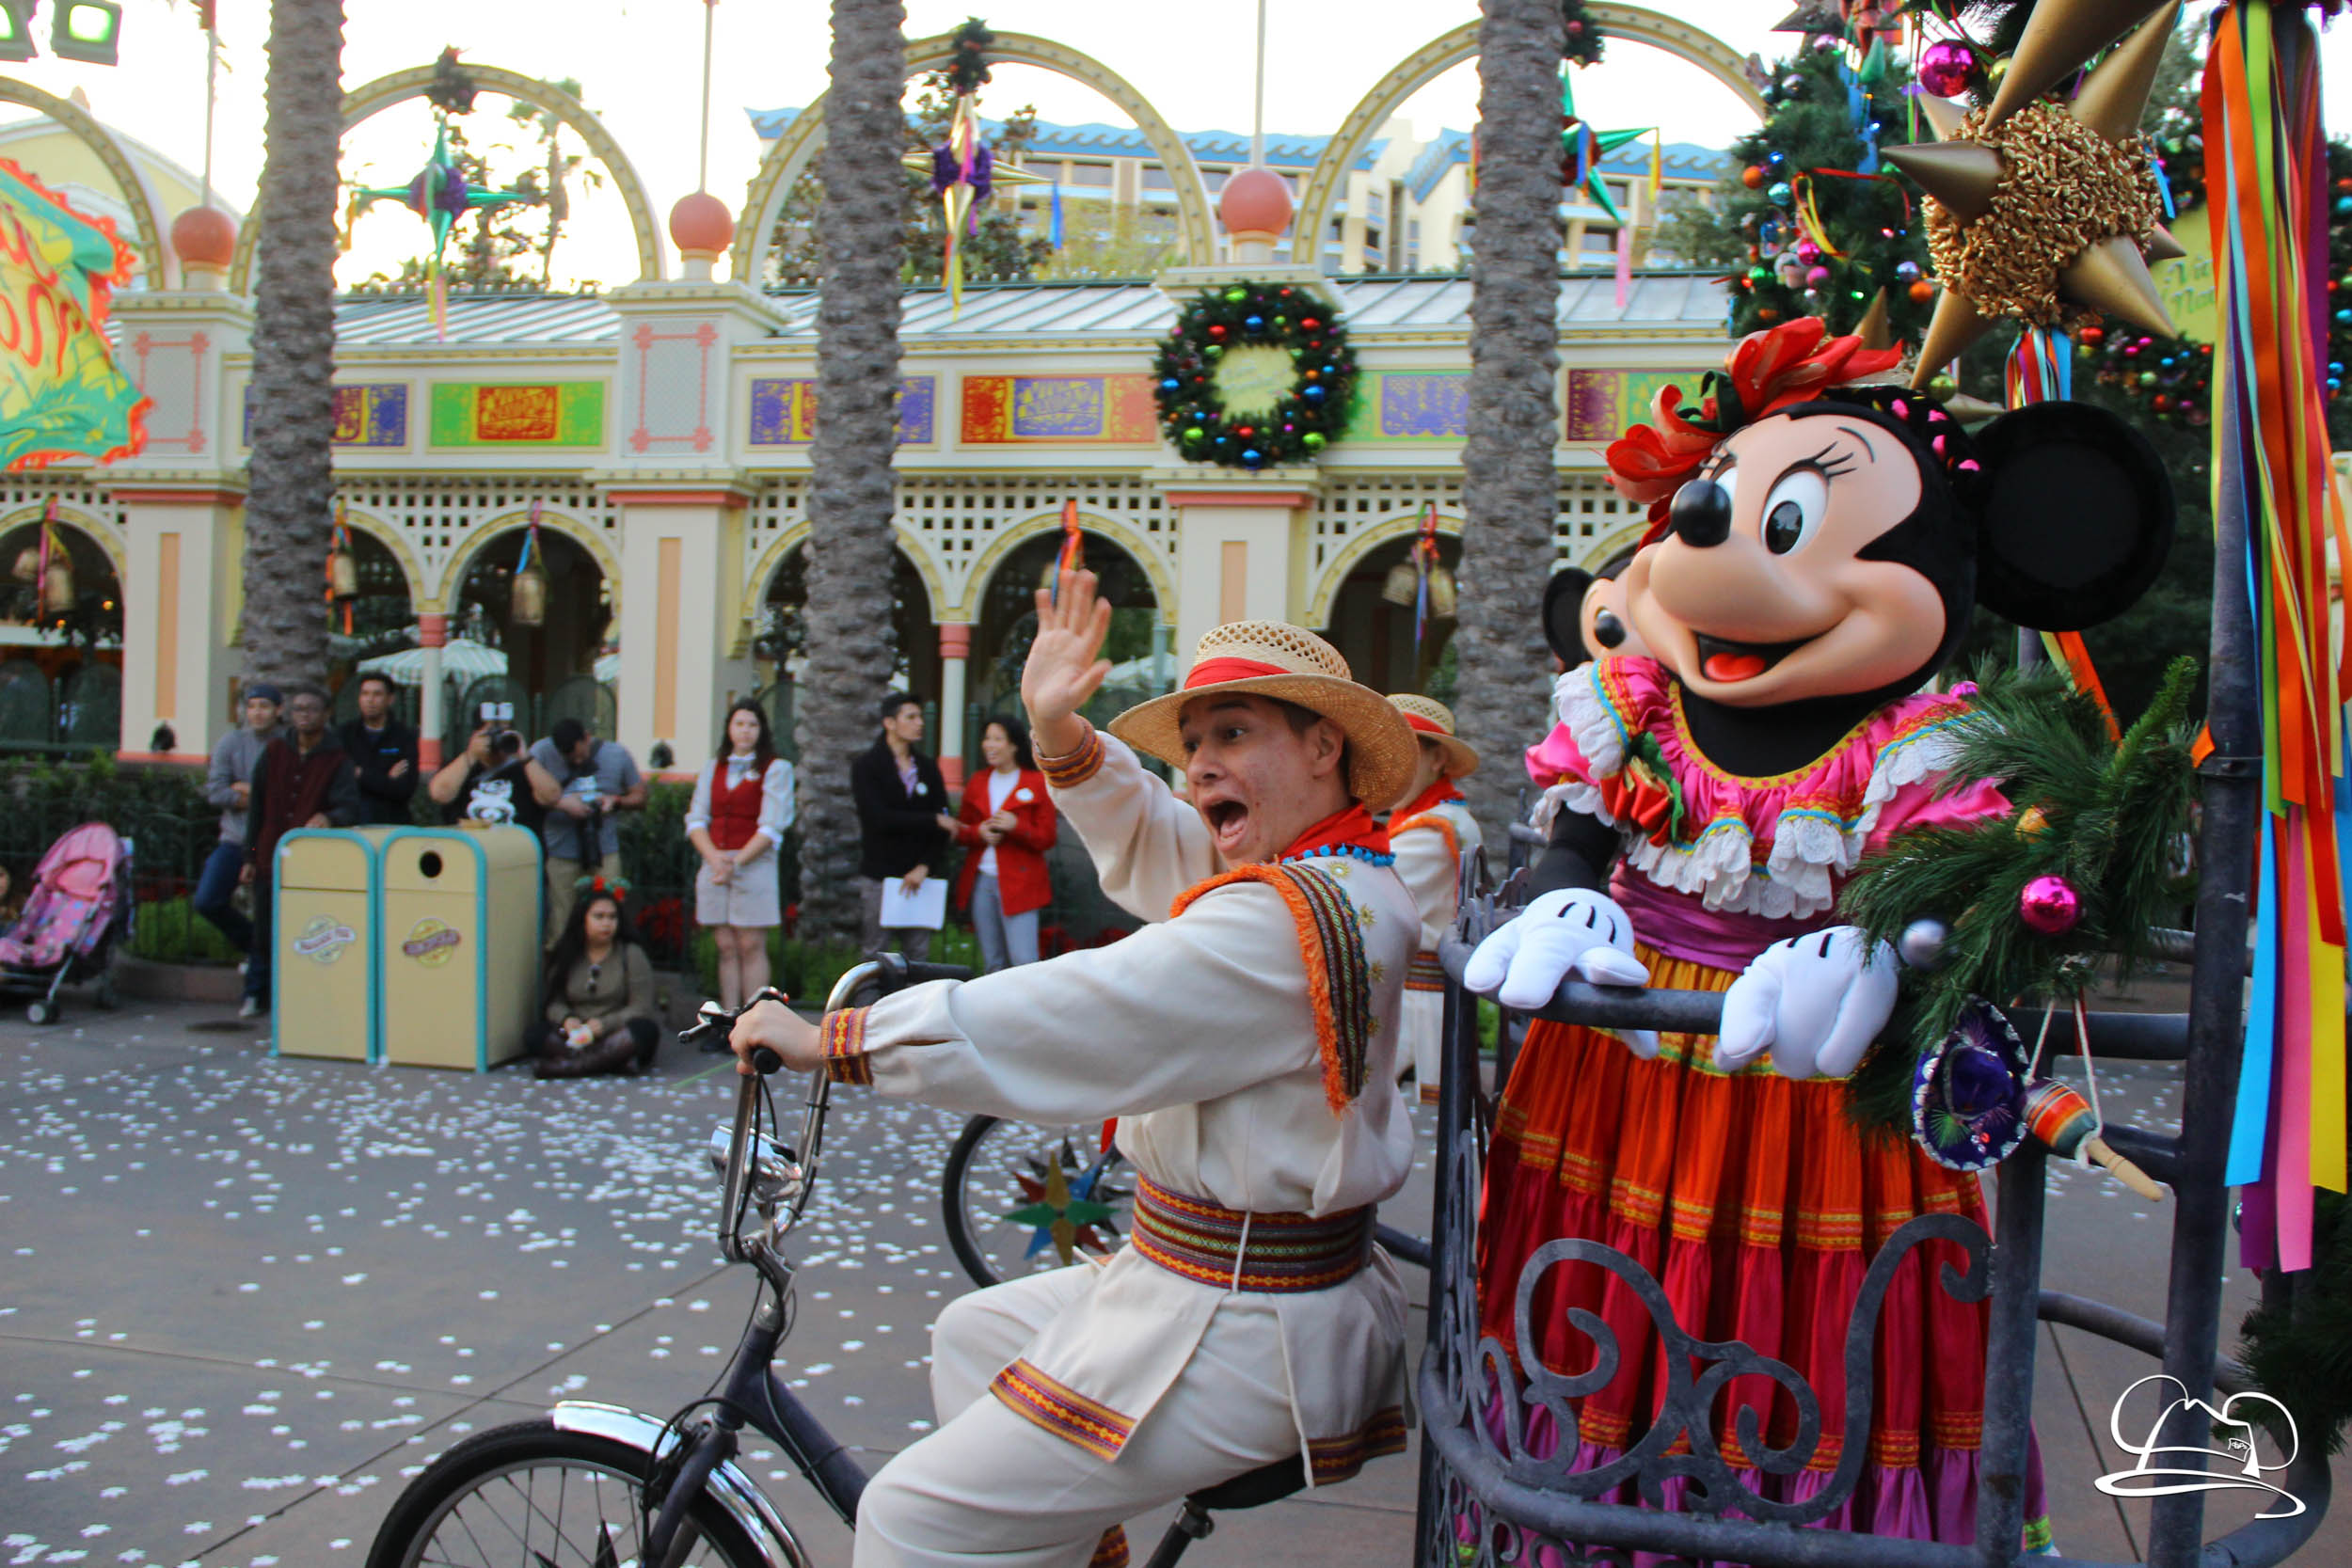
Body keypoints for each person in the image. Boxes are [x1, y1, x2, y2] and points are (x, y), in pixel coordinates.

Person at [1465, 318, 2175, 1549]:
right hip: (1617, 1073)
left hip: (1815, 1094)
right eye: (1715, 506)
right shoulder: (1635, 706)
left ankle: (1805, 1521)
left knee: (1798, 1329)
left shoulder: (1916, 743)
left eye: (1784, 521)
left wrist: (1890, 947)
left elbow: (1961, 891)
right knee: (1603, 1307)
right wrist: (1562, 894)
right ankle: (1599, 1515)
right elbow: (1581, 831)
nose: (1712, 547)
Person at [731, 577, 1422, 1568]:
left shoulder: (1286, 918)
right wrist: (1059, 729)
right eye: (1192, 746)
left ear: (1324, 746)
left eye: (1231, 734)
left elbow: (1085, 1010)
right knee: (977, 1331)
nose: (1198, 768)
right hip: (1219, 1280)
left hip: (1248, 1321)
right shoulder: (1338, 872)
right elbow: (1171, 844)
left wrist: (836, 1037)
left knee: (908, 1515)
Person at [1380, 694, 1482, 1104]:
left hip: (1417, 1011)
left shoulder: (1432, 832)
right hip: (1418, 1004)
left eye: (1401, 751)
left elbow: (1369, 907)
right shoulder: (1437, 819)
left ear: (1436, 759)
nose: (1387, 766)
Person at [239, 683, 361, 1019]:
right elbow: (256, 809)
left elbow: (350, 806)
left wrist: (329, 816)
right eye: (298, 709)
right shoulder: (276, 751)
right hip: (269, 855)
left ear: (326, 714)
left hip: (312, 863)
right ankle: (258, 994)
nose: (304, 715)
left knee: (307, 928)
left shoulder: (337, 758)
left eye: (311, 709)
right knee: (264, 931)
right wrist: (249, 856)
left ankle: (302, 997)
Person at [686, 700, 796, 1016]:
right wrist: (715, 858)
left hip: (753, 862)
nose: (745, 730)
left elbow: (772, 825)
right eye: (739, 724)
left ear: (761, 730)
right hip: (716, 860)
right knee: (726, 946)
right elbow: (696, 818)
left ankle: (755, 1018)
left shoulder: (775, 769)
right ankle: (728, 1018)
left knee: (751, 945)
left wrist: (736, 863)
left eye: (752, 724)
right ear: (729, 729)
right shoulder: (713, 768)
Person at [949, 715, 1056, 974]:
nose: (990, 745)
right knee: (992, 962)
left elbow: (1047, 837)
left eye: (998, 739)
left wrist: (1016, 827)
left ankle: (1028, 1013)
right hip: (982, 880)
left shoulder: (1036, 782)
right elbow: (961, 831)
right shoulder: (978, 781)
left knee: (1024, 961)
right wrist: (979, 832)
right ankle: (994, 1014)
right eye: (987, 739)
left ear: (1014, 745)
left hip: (1020, 883)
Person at [849, 691, 950, 961]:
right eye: (911, 717)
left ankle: (916, 1005)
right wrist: (930, 819)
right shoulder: (867, 766)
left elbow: (944, 823)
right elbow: (878, 817)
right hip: (881, 876)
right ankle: (872, 1005)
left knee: (918, 956)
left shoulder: (928, 767)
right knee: (876, 954)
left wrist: (924, 866)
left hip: (919, 876)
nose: (919, 723)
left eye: (920, 717)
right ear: (889, 723)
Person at [528, 718, 645, 946]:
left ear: (587, 737)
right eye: (569, 758)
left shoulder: (616, 754)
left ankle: (608, 974)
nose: (577, 761)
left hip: (604, 851)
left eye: (580, 755)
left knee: (609, 917)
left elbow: (640, 796)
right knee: (560, 924)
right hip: (560, 852)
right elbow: (527, 794)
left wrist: (615, 801)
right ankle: (562, 976)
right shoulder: (541, 752)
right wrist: (562, 803)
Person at [196, 684, 282, 974]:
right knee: (208, 900)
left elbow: (285, 797)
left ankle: (260, 976)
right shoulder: (230, 743)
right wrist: (259, 797)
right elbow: (216, 792)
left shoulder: (286, 744)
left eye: (265, 706)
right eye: (252, 706)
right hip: (235, 839)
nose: (257, 713)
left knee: (270, 910)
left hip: (273, 843)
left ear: (278, 710)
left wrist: (248, 791)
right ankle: (258, 948)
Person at [533, 878, 659, 1079]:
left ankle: (569, 1067)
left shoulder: (631, 953)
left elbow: (641, 1007)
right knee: (535, 1034)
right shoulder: (567, 952)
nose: (606, 924)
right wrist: (566, 1019)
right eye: (598, 917)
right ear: (583, 919)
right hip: (575, 1033)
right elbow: (553, 1002)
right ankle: (612, 1063)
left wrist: (605, 1024)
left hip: (614, 1031)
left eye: (612, 917)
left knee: (644, 1031)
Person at [426, 721, 547, 836]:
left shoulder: (526, 768)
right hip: (471, 849)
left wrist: (524, 756)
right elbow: (439, 795)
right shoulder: (462, 766)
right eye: (490, 735)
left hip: (515, 849)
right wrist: (471, 754)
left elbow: (551, 797)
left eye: (502, 733)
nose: (496, 741)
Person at [337, 672, 420, 826]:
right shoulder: (344, 735)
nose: (370, 700)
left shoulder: (404, 737)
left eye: (377, 694)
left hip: (392, 825)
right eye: (365, 694)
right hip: (352, 824)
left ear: (390, 699)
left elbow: (404, 789)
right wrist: (386, 778)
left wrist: (361, 774)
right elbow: (342, 781)